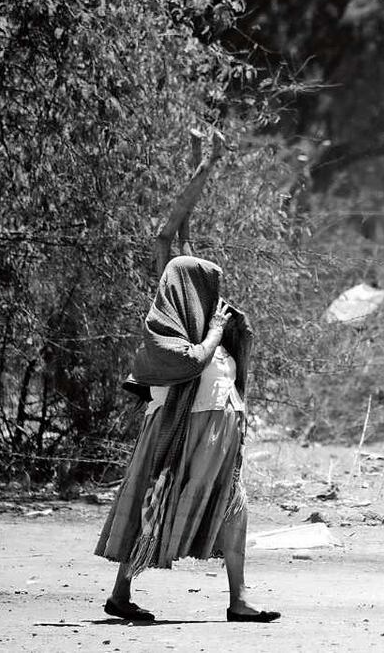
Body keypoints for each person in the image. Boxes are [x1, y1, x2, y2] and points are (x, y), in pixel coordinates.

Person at [94, 255, 280, 623]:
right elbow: (191, 362)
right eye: (207, 287)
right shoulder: (163, 332)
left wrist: (224, 330)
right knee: (155, 504)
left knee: (234, 508)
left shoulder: (208, 331)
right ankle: (120, 593)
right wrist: (215, 331)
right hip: (180, 436)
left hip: (220, 440)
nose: (216, 296)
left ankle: (239, 600)